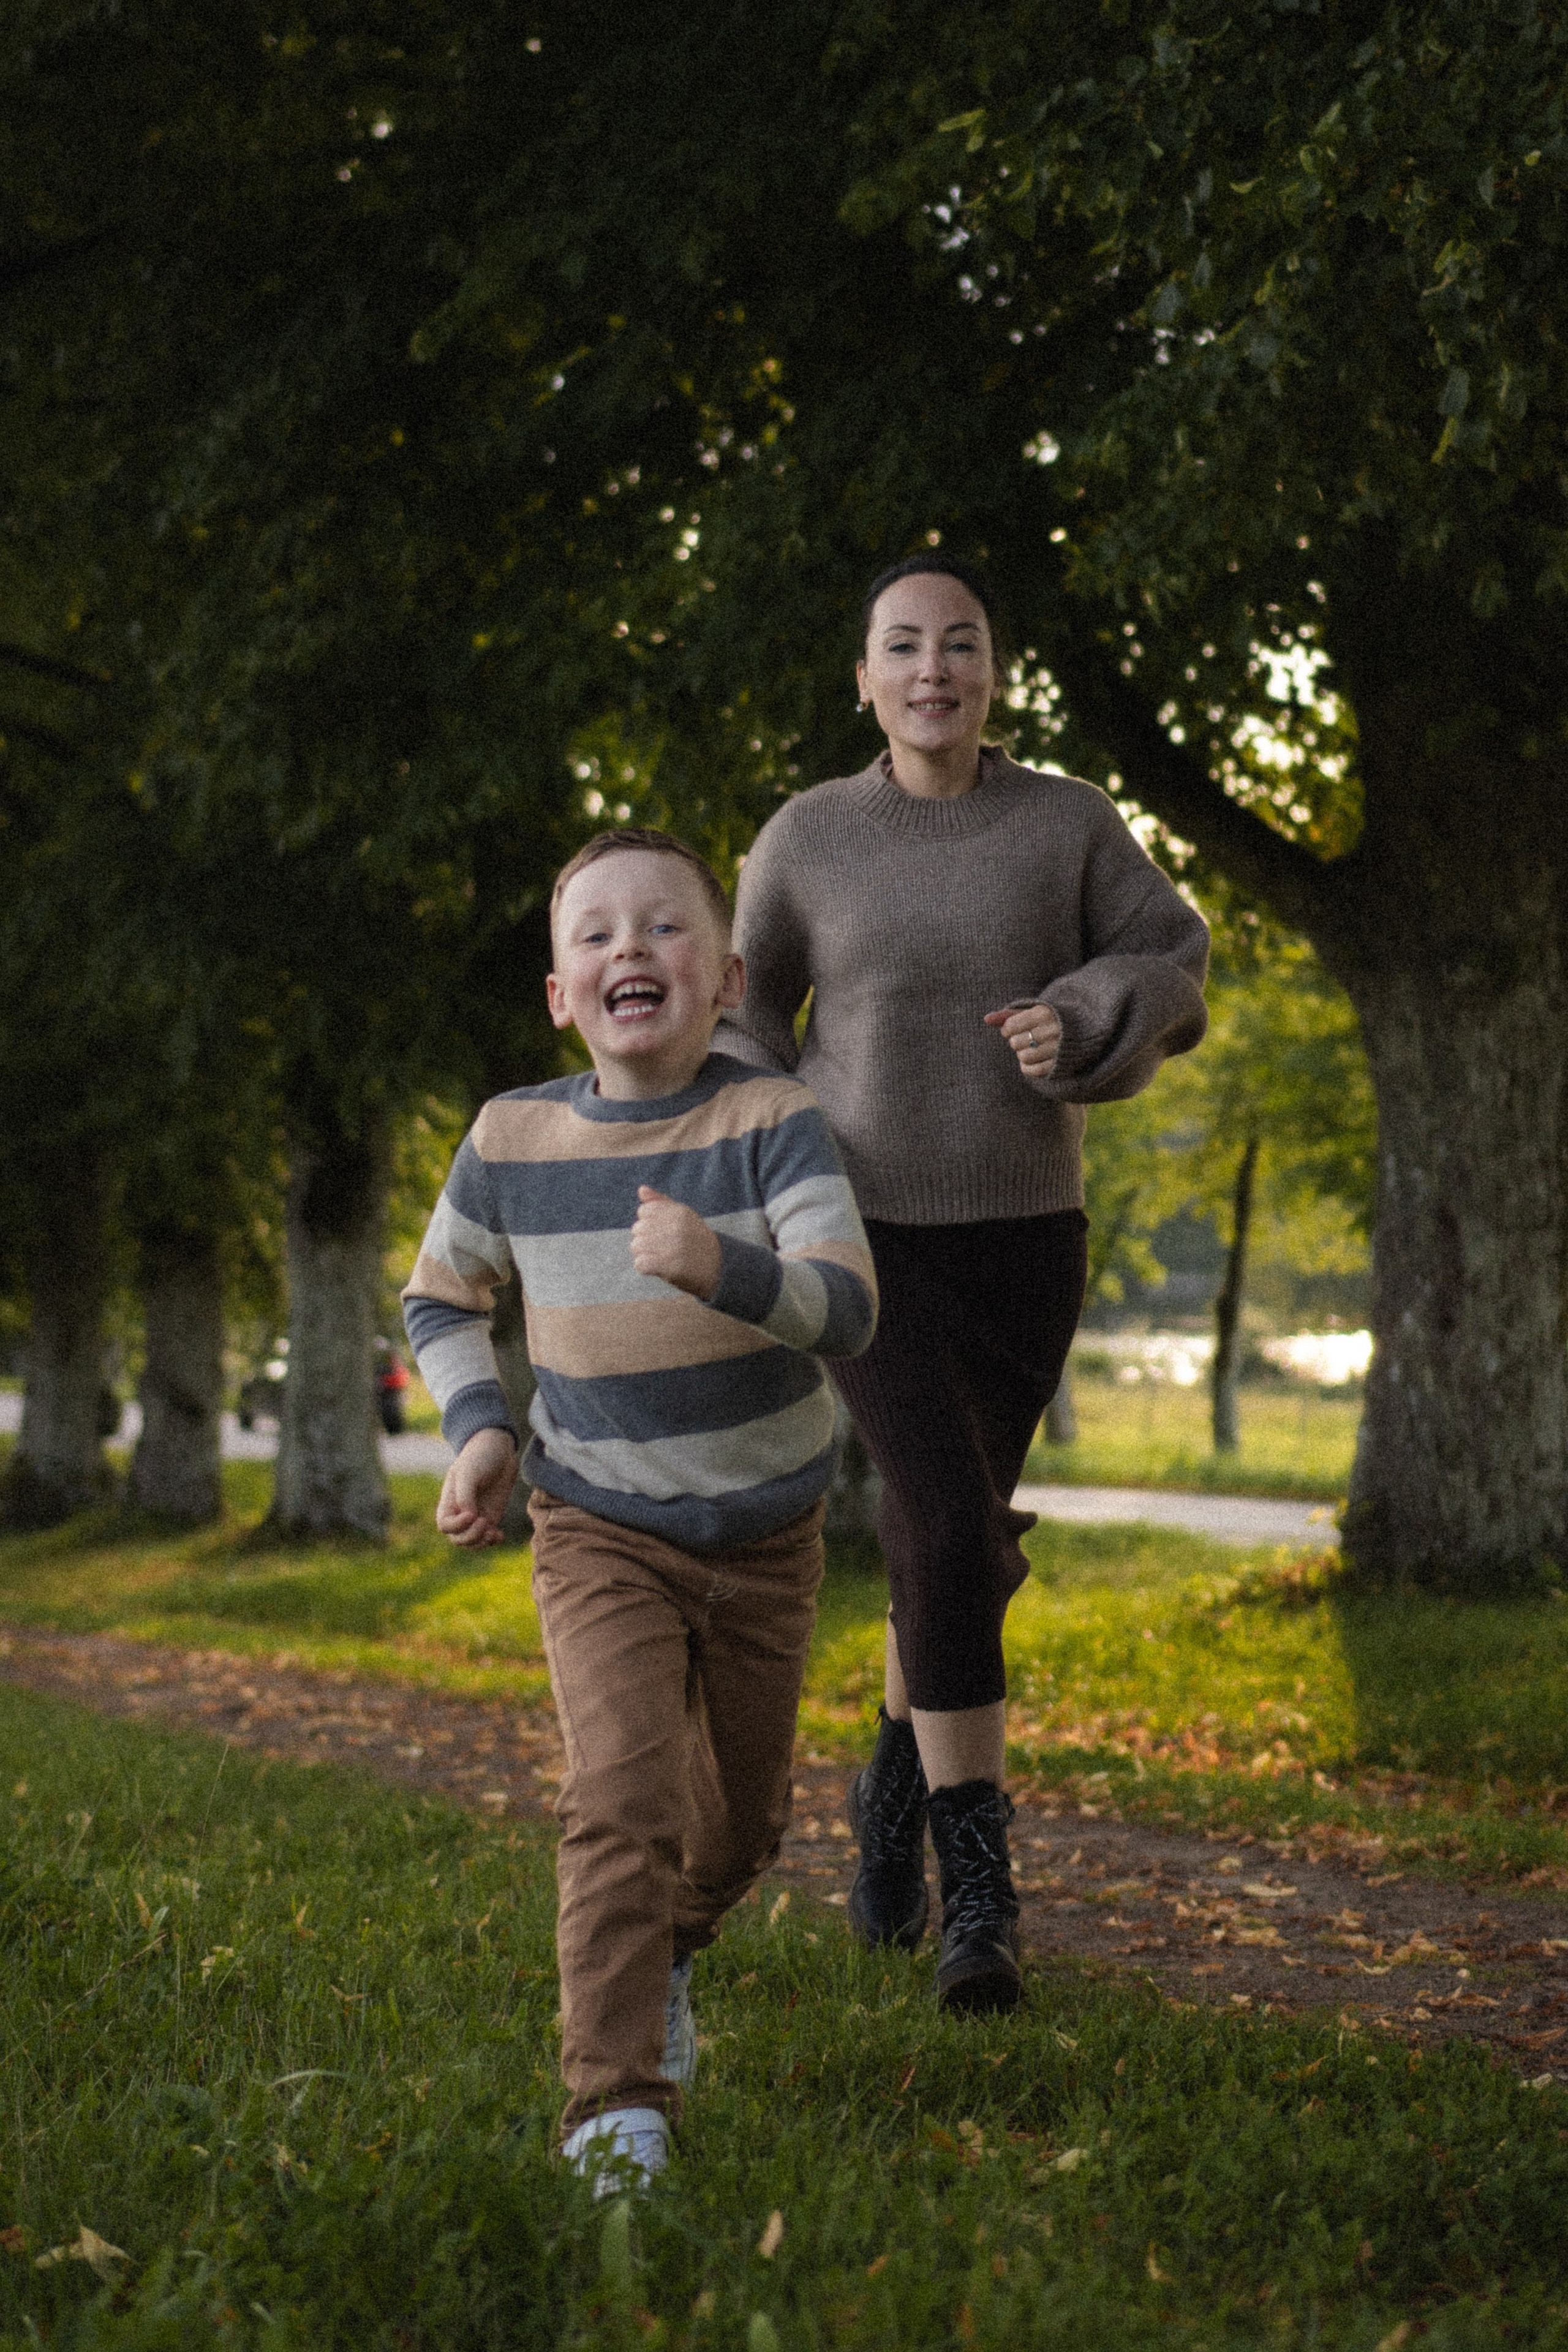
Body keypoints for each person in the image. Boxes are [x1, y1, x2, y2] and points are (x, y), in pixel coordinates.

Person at [715, 555, 1209, 2013]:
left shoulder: (1063, 822)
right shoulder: (804, 837)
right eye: (901, 646)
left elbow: (1170, 951)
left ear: (994, 672)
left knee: (959, 1545)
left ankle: (885, 1793)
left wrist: (1081, 1016)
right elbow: (745, 1019)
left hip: (1024, 1236)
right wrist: (772, 1140)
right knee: (941, 1518)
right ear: (861, 676)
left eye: (961, 645)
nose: (932, 668)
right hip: (857, 1236)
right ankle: (977, 1894)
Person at [401, 828, 876, 2192]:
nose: (629, 951)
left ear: (725, 978)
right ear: (560, 994)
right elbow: (441, 1296)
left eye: (662, 929)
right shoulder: (511, 1135)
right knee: (618, 1796)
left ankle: (669, 1944)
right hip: (598, 1524)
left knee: (737, 1832)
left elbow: (847, 1306)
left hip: (770, 1535)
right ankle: (616, 2108)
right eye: (596, 935)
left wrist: (719, 1265)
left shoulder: (769, 1125)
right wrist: (481, 1428)